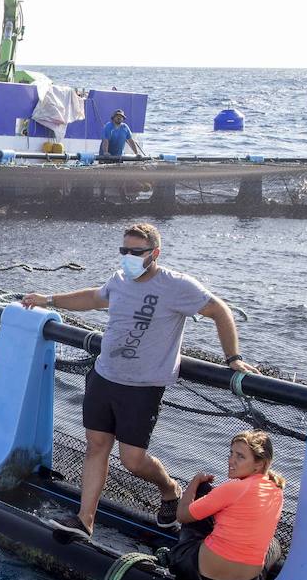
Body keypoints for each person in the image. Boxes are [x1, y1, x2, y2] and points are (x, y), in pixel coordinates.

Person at [22, 222, 259, 538]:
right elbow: (94, 297)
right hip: (104, 375)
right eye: (124, 251)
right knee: (96, 446)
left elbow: (220, 311)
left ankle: (169, 488)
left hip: (142, 387)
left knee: (132, 460)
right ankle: (84, 521)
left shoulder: (176, 285)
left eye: (136, 252)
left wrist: (233, 358)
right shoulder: (119, 280)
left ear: (154, 254)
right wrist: (48, 299)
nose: (128, 257)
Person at [167, 430, 285, 580]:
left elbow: (182, 516)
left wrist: (196, 481)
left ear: (258, 465)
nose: (231, 460)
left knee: (203, 491)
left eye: (240, 457)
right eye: (231, 453)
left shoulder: (232, 489)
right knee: (274, 544)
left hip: (200, 577)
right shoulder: (278, 493)